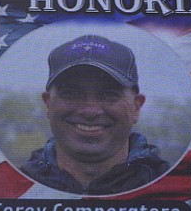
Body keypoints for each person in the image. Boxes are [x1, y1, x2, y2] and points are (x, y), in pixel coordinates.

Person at [22, 34, 170, 195]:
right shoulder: (13, 187)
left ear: (136, 107)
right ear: (48, 104)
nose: (90, 111)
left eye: (109, 95)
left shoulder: (173, 187)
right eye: (71, 93)